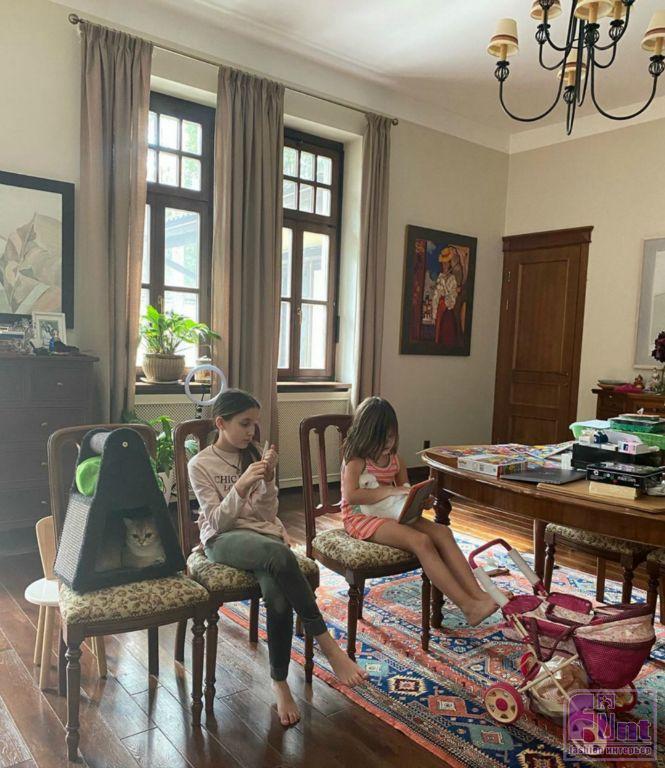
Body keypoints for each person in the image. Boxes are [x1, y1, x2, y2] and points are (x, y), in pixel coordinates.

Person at [188, 388, 367, 727]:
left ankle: (279, 681)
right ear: (221, 423)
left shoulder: (255, 455)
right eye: (244, 424)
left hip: (263, 537)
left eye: (254, 424)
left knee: (278, 596)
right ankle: (327, 645)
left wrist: (268, 482)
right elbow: (218, 521)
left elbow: (267, 516)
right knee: (279, 552)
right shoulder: (199, 464)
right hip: (223, 540)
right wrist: (241, 486)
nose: (251, 432)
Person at [341, 396, 500, 627]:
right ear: (366, 435)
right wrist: (390, 491)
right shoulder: (356, 461)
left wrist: (421, 501)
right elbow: (352, 495)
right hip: (361, 518)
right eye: (381, 438)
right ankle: (468, 606)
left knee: (443, 533)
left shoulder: (395, 460)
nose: (387, 443)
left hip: (391, 512)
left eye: (391, 437)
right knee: (421, 541)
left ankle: (479, 595)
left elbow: (405, 492)